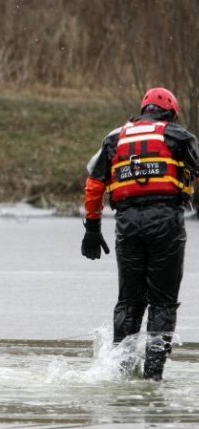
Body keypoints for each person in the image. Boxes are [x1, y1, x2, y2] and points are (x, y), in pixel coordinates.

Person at [81, 87, 199, 380]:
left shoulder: (114, 138)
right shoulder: (179, 136)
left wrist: (92, 228)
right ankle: (153, 376)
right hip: (166, 221)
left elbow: (94, 185)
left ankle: (119, 371)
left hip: (128, 223)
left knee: (129, 300)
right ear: (170, 112)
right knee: (162, 300)